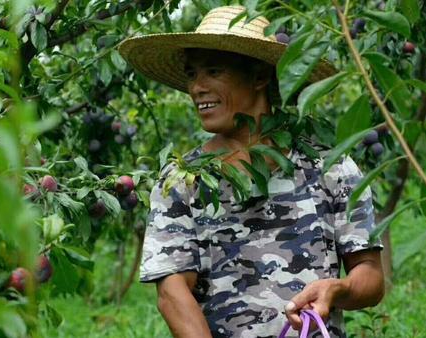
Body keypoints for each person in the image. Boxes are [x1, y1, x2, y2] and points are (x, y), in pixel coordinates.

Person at [118, 5, 384, 338]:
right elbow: (172, 291)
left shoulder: (329, 167)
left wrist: (338, 289)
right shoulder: (184, 179)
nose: (196, 87)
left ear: (259, 76)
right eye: (191, 74)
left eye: (213, 71)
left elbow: (370, 274)